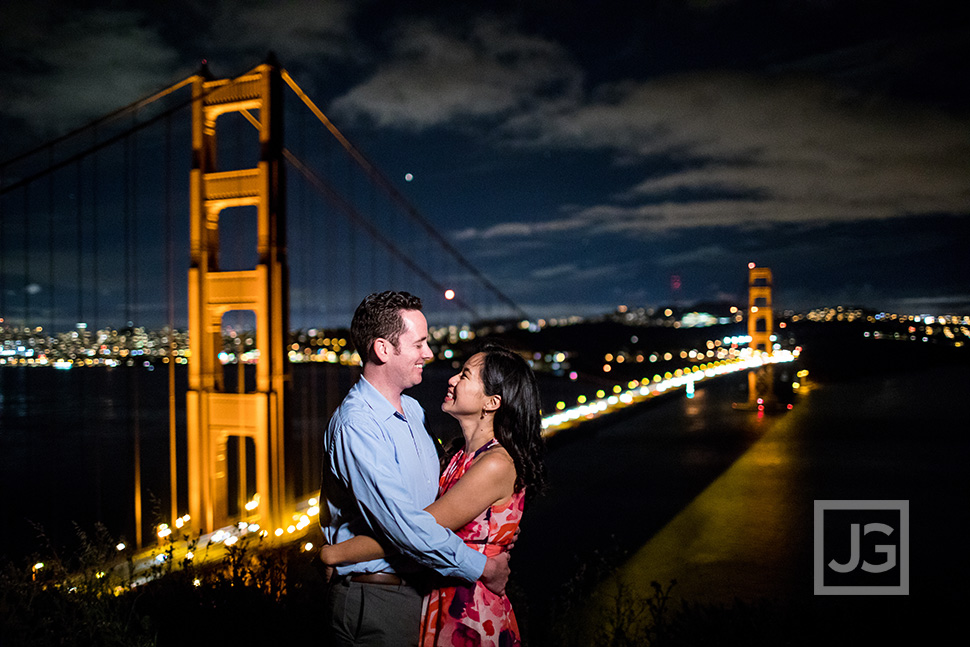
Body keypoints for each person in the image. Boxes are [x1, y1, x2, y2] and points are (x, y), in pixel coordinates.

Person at [321, 343, 547, 647]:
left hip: (469, 614)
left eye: (465, 375)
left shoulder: (494, 464)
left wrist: (335, 553)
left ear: (492, 402)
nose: (452, 379)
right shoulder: (456, 456)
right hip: (438, 600)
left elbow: (415, 530)